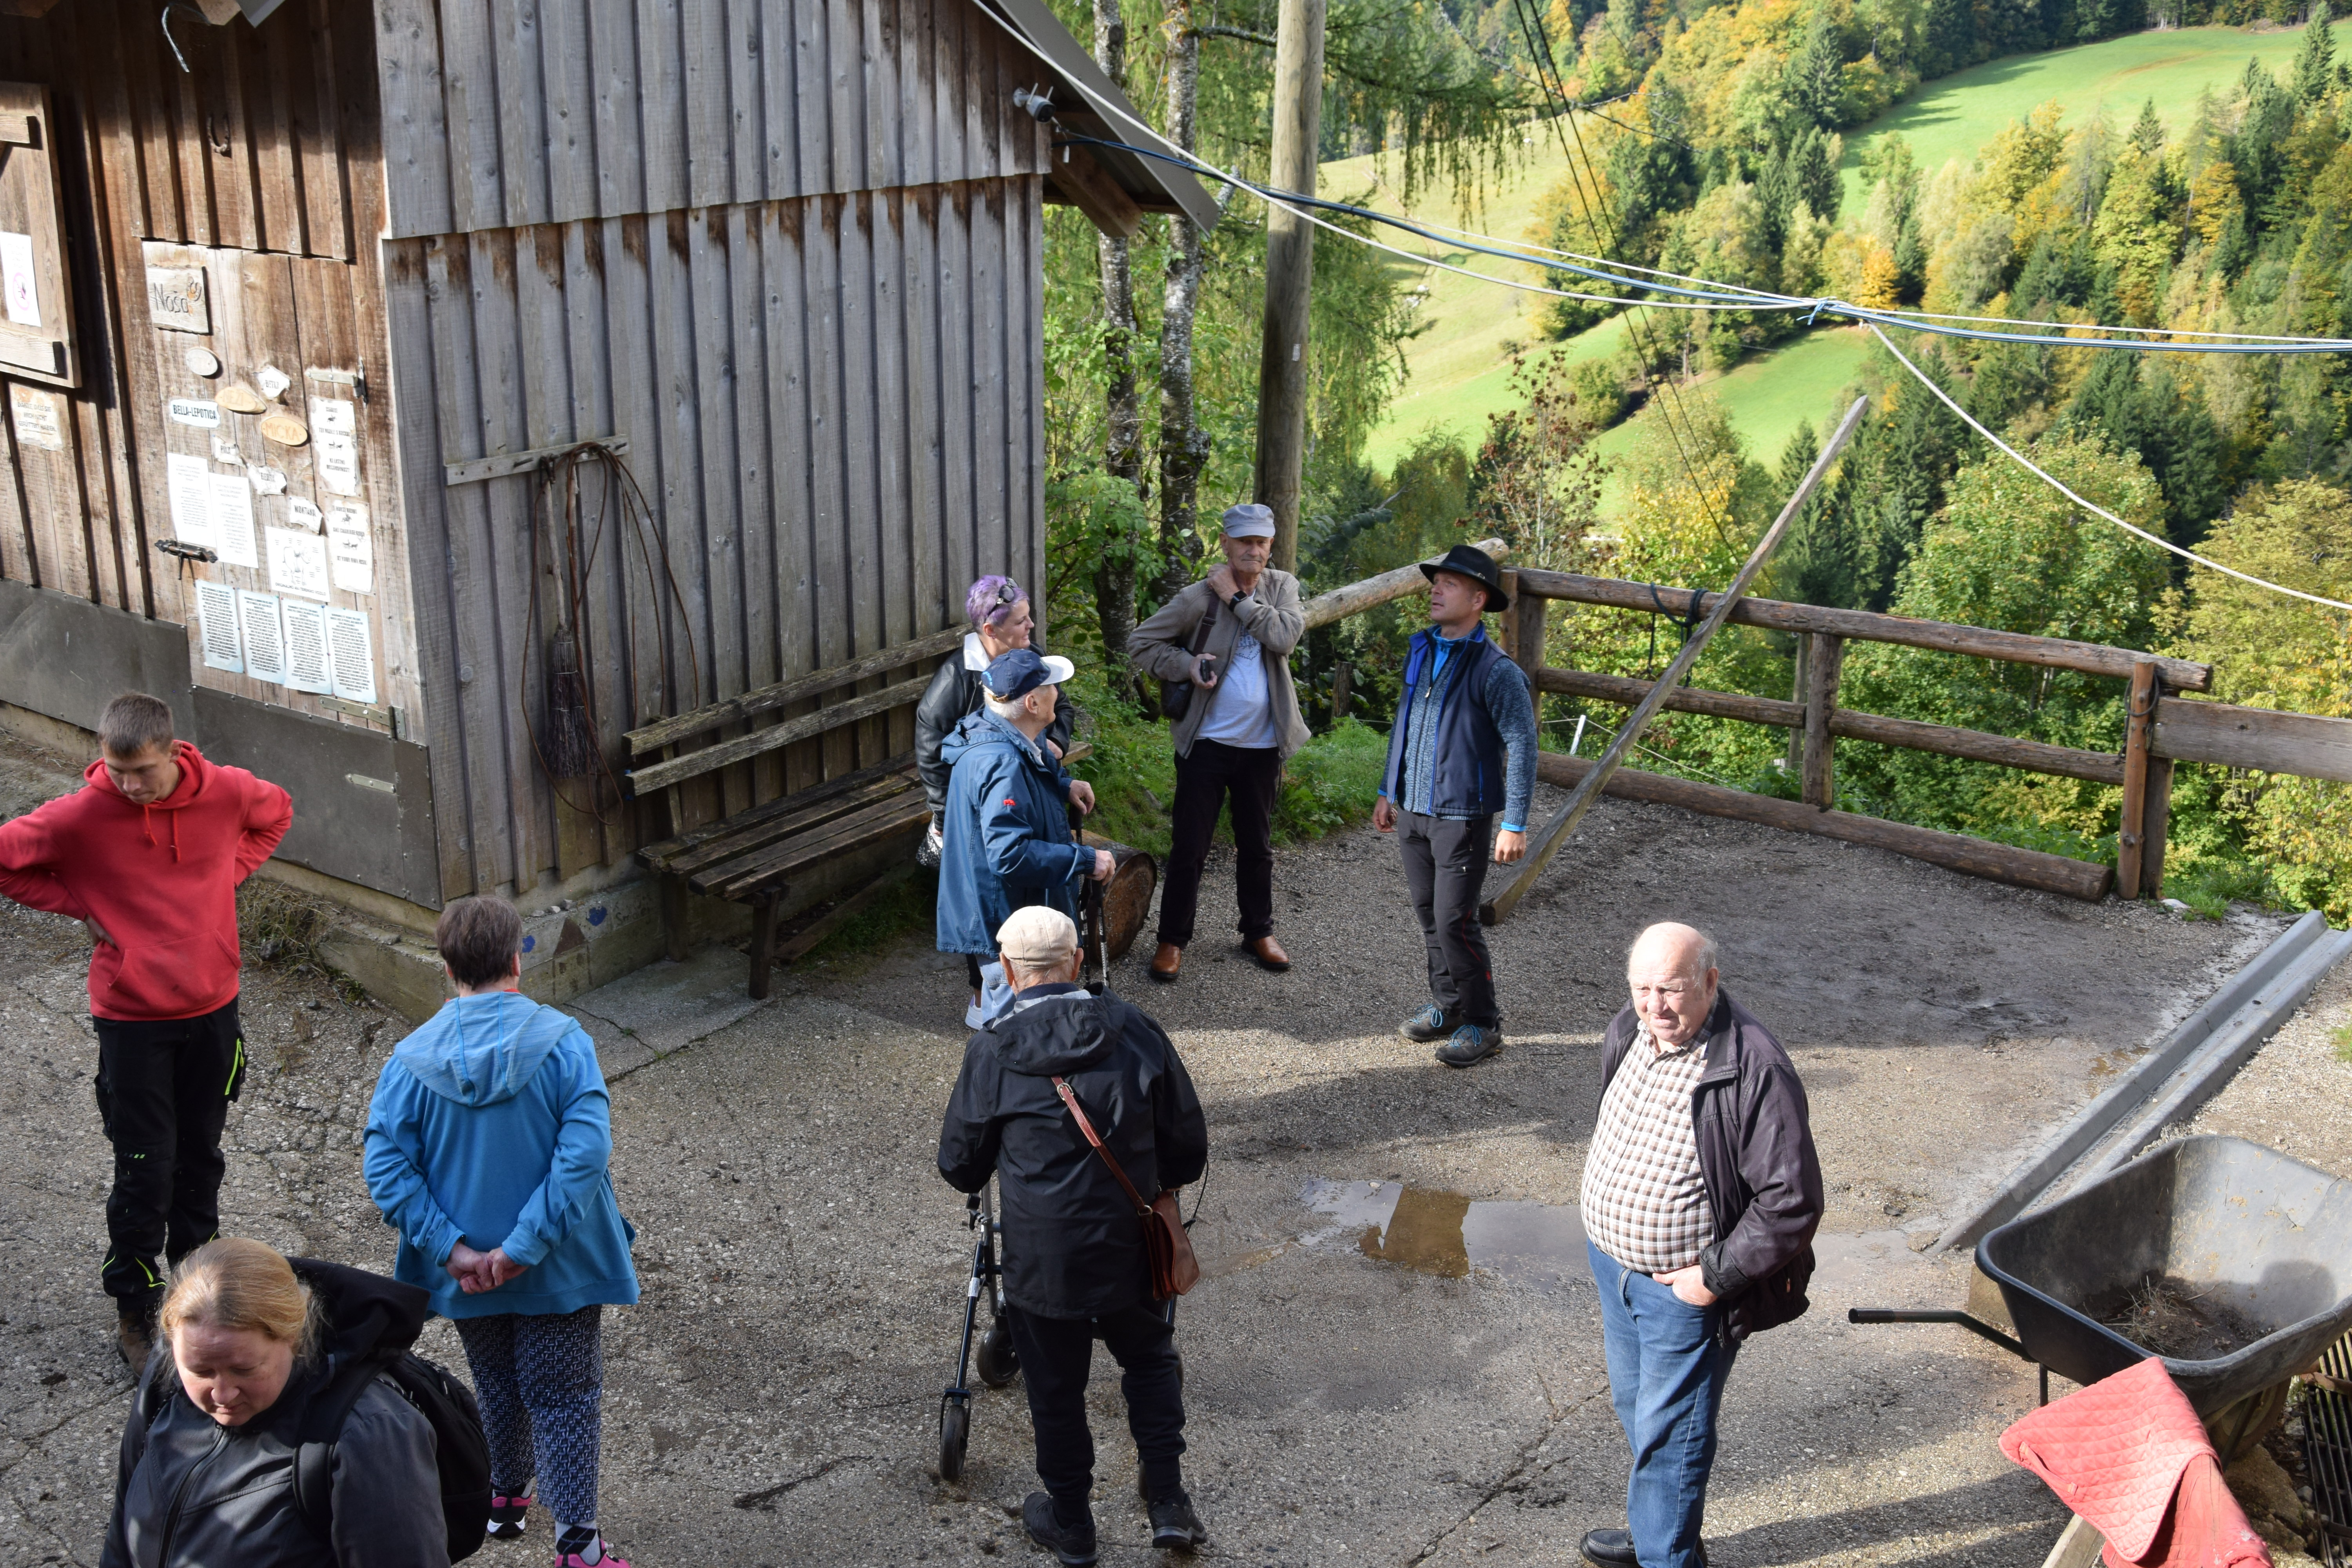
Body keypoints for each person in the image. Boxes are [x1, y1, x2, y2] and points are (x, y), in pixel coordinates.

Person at [0, 691, 293, 1364]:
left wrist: (228, 876)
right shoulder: (79, 815)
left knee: (201, 1161)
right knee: (145, 1169)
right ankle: (135, 1304)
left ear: (173, 752)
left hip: (213, 1011)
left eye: (143, 774)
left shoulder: (224, 792)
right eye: (117, 772)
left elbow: (277, 813)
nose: (129, 787)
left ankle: (199, 1293)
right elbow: (7, 861)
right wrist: (78, 904)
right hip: (132, 1022)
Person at [363, 895, 641, 1568]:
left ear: (448, 965)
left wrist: (453, 1248)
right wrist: (524, 1249)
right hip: (560, 1266)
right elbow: (583, 1155)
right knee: (565, 1395)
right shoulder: (565, 1042)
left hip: (461, 1271)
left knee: (495, 1383)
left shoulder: (409, 1060)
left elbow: (386, 1165)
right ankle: (577, 1542)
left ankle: (505, 1501)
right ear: (518, 959)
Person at [936, 906, 1210, 1566]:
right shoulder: (1137, 1030)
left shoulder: (993, 1050)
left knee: (1055, 1389)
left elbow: (960, 1165)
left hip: (1043, 1257)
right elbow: (1188, 1149)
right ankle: (1169, 1503)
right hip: (1129, 1244)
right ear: (1079, 962)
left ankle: (1072, 1525)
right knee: (1148, 1359)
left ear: (1005, 971)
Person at [1578, 923, 1823, 1568]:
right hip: (1615, 1271)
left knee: (1673, 1435)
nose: (1655, 1006)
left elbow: (1791, 1202)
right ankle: (1658, 1529)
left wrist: (1712, 1278)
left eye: (1673, 990)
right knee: (1637, 1410)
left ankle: (1667, 1556)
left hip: (1683, 1295)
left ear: (1712, 982)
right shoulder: (1632, 1029)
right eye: (1642, 988)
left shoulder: (1754, 1066)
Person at [99, 1236, 450, 1568]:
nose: (222, 1395)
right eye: (201, 1371)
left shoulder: (371, 1434)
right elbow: (122, 1528)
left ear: (294, 1337)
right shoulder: (168, 1373)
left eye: (244, 1369)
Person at [1127, 503, 1310, 984]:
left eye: (1262, 542)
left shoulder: (1282, 587)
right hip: (1206, 744)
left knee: (1258, 845)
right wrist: (1186, 665)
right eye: (1245, 541)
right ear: (1225, 544)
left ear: (1271, 546)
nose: (1254, 550)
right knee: (1189, 846)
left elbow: (1285, 636)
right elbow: (1141, 642)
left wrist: (1236, 599)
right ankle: (1172, 940)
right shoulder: (1194, 598)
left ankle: (1258, 931)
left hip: (1263, 745)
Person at [1371, 544, 1537, 1068]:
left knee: (1454, 921)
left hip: (1463, 814)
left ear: (1478, 598)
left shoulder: (1497, 670)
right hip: (1414, 811)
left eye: (1449, 584)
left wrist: (1514, 822)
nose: (1436, 591)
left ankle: (1484, 1024)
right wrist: (1386, 790)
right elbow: (1405, 724)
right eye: (1435, 582)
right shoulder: (1422, 650)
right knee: (1428, 915)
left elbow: (1525, 743)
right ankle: (1448, 1006)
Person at [936, 649, 1112, 1026]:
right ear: (1032, 702)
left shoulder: (999, 731)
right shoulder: (1002, 765)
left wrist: (1062, 785)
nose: (1059, 694)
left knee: (1010, 1017)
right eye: (1053, 687)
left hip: (999, 906)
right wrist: (1086, 860)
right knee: (1009, 1027)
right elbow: (1010, 855)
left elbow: (1030, 768)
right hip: (1005, 920)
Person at [915, 574, 1075, 868]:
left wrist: (1057, 742)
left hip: (1023, 787)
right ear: (991, 630)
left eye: (1029, 618)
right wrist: (946, 817)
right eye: (1021, 621)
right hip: (979, 794)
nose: (1032, 626)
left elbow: (1062, 706)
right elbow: (931, 756)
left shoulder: (1032, 656)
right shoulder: (956, 681)